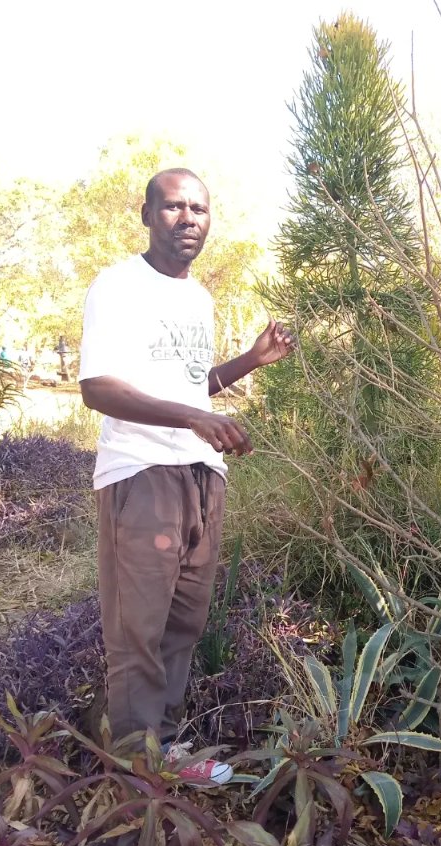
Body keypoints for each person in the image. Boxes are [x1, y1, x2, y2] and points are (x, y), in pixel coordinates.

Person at [79, 168, 293, 784]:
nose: (187, 218)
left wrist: (251, 360)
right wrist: (193, 418)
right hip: (142, 471)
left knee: (183, 624)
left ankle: (163, 749)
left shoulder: (198, 299)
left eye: (199, 208)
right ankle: (135, 766)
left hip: (202, 476)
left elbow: (191, 388)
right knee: (138, 628)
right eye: (173, 206)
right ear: (147, 214)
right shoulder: (118, 286)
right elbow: (97, 388)